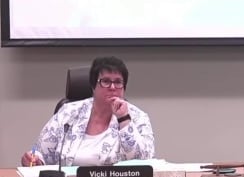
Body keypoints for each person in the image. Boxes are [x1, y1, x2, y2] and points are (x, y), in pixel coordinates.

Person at [21, 56, 155, 167]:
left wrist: (124, 119)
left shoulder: (138, 118)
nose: (113, 87)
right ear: (92, 85)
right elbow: (41, 152)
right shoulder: (68, 113)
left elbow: (144, 161)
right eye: (106, 81)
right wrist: (34, 160)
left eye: (118, 82)